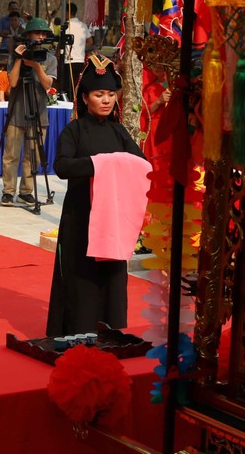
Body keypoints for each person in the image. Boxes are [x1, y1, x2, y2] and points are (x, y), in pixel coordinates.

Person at [46, 54, 147, 336]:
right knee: (82, 276)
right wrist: (99, 164)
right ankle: (78, 330)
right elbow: (62, 166)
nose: (106, 100)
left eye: (110, 94)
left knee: (112, 275)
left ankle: (111, 331)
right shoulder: (74, 130)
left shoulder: (119, 131)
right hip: (81, 215)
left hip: (113, 219)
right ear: (85, 98)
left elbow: (142, 165)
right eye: (99, 94)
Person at [0, 18, 57, 206]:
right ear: (28, 36)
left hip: (38, 114)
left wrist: (36, 66)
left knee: (33, 156)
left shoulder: (49, 58)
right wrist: (18, 59)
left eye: (44, 34)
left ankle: (26, 191)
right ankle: (8, 192)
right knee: (11, 155)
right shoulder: (17, 54)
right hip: (17, 112)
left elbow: (48, 85)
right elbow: (13, 83)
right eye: (37, 33)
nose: (41, 37)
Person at [62, 3, 92, 102]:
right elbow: (90, 41)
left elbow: (61, 43)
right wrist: (80, 47)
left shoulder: (66, 26)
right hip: (80, 60)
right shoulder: (83, 25)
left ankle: (69, 105)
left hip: (68, 61)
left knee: (68, 87)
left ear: (67, 13)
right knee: (77, 85)